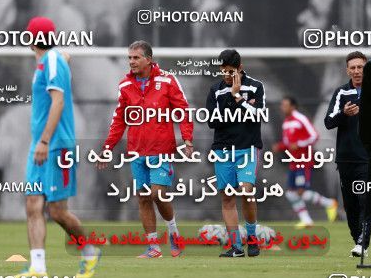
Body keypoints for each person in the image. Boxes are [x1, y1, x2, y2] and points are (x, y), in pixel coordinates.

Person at [17, 16, 101, 278]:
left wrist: (44, 141)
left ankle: (89, 252)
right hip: (40, 146)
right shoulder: (50, 61)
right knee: (33, 204)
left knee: (57, 211)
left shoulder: (51, 60)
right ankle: (38, 267)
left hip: (55, 146)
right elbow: (61, 61)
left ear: (31, 39)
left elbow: (58, 103)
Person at [98, 40, 194, 258]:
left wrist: (187, 139)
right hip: (136, 151)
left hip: (161, 149)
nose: (131, 62)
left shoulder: (167, 81)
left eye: (136, 58)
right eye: (129, 58)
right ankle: (153, 248)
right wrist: (107, 148)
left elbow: (183, 110)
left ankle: (173, 232)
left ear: (148, 60)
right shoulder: (125, 85)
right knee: (143, 197)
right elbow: (119, 120)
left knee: (158, 194)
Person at [205, 49, 265, 257]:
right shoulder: (215, 90)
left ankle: (253, 239)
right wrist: (235, 105)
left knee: (247, 192)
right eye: (223, 71)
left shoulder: (256, 87)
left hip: (247, 147)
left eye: (230, 71)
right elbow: (213, 121)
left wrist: (237, 97)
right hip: (223, 150)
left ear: (240, 68)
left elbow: (258, 116)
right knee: (228, 198)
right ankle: (236, 247)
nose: (227, 76)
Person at [324, 51, 371, 257]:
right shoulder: (341, 93)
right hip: (345, 158)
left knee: (366, 199)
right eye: (352, 67)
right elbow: (328, 121)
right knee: (350, 205)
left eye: (360, 67)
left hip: (368, 157)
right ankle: (359, 242)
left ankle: (362, 242)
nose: (356, 71)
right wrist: (344, 114)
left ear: (366, 68)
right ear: (347, 70)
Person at [273, 96, 338, 228]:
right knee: (291, 193)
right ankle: (307, 220)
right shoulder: (286, 122)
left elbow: (314, 136)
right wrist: (279, 146)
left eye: (285, 105)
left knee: (301, 191)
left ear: (293, 106)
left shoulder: (300, 118)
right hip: (293, 162)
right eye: (282, 105)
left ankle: (329, 203)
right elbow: (288, 143)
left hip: (303, 160)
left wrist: (299, 143)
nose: (282, 107)